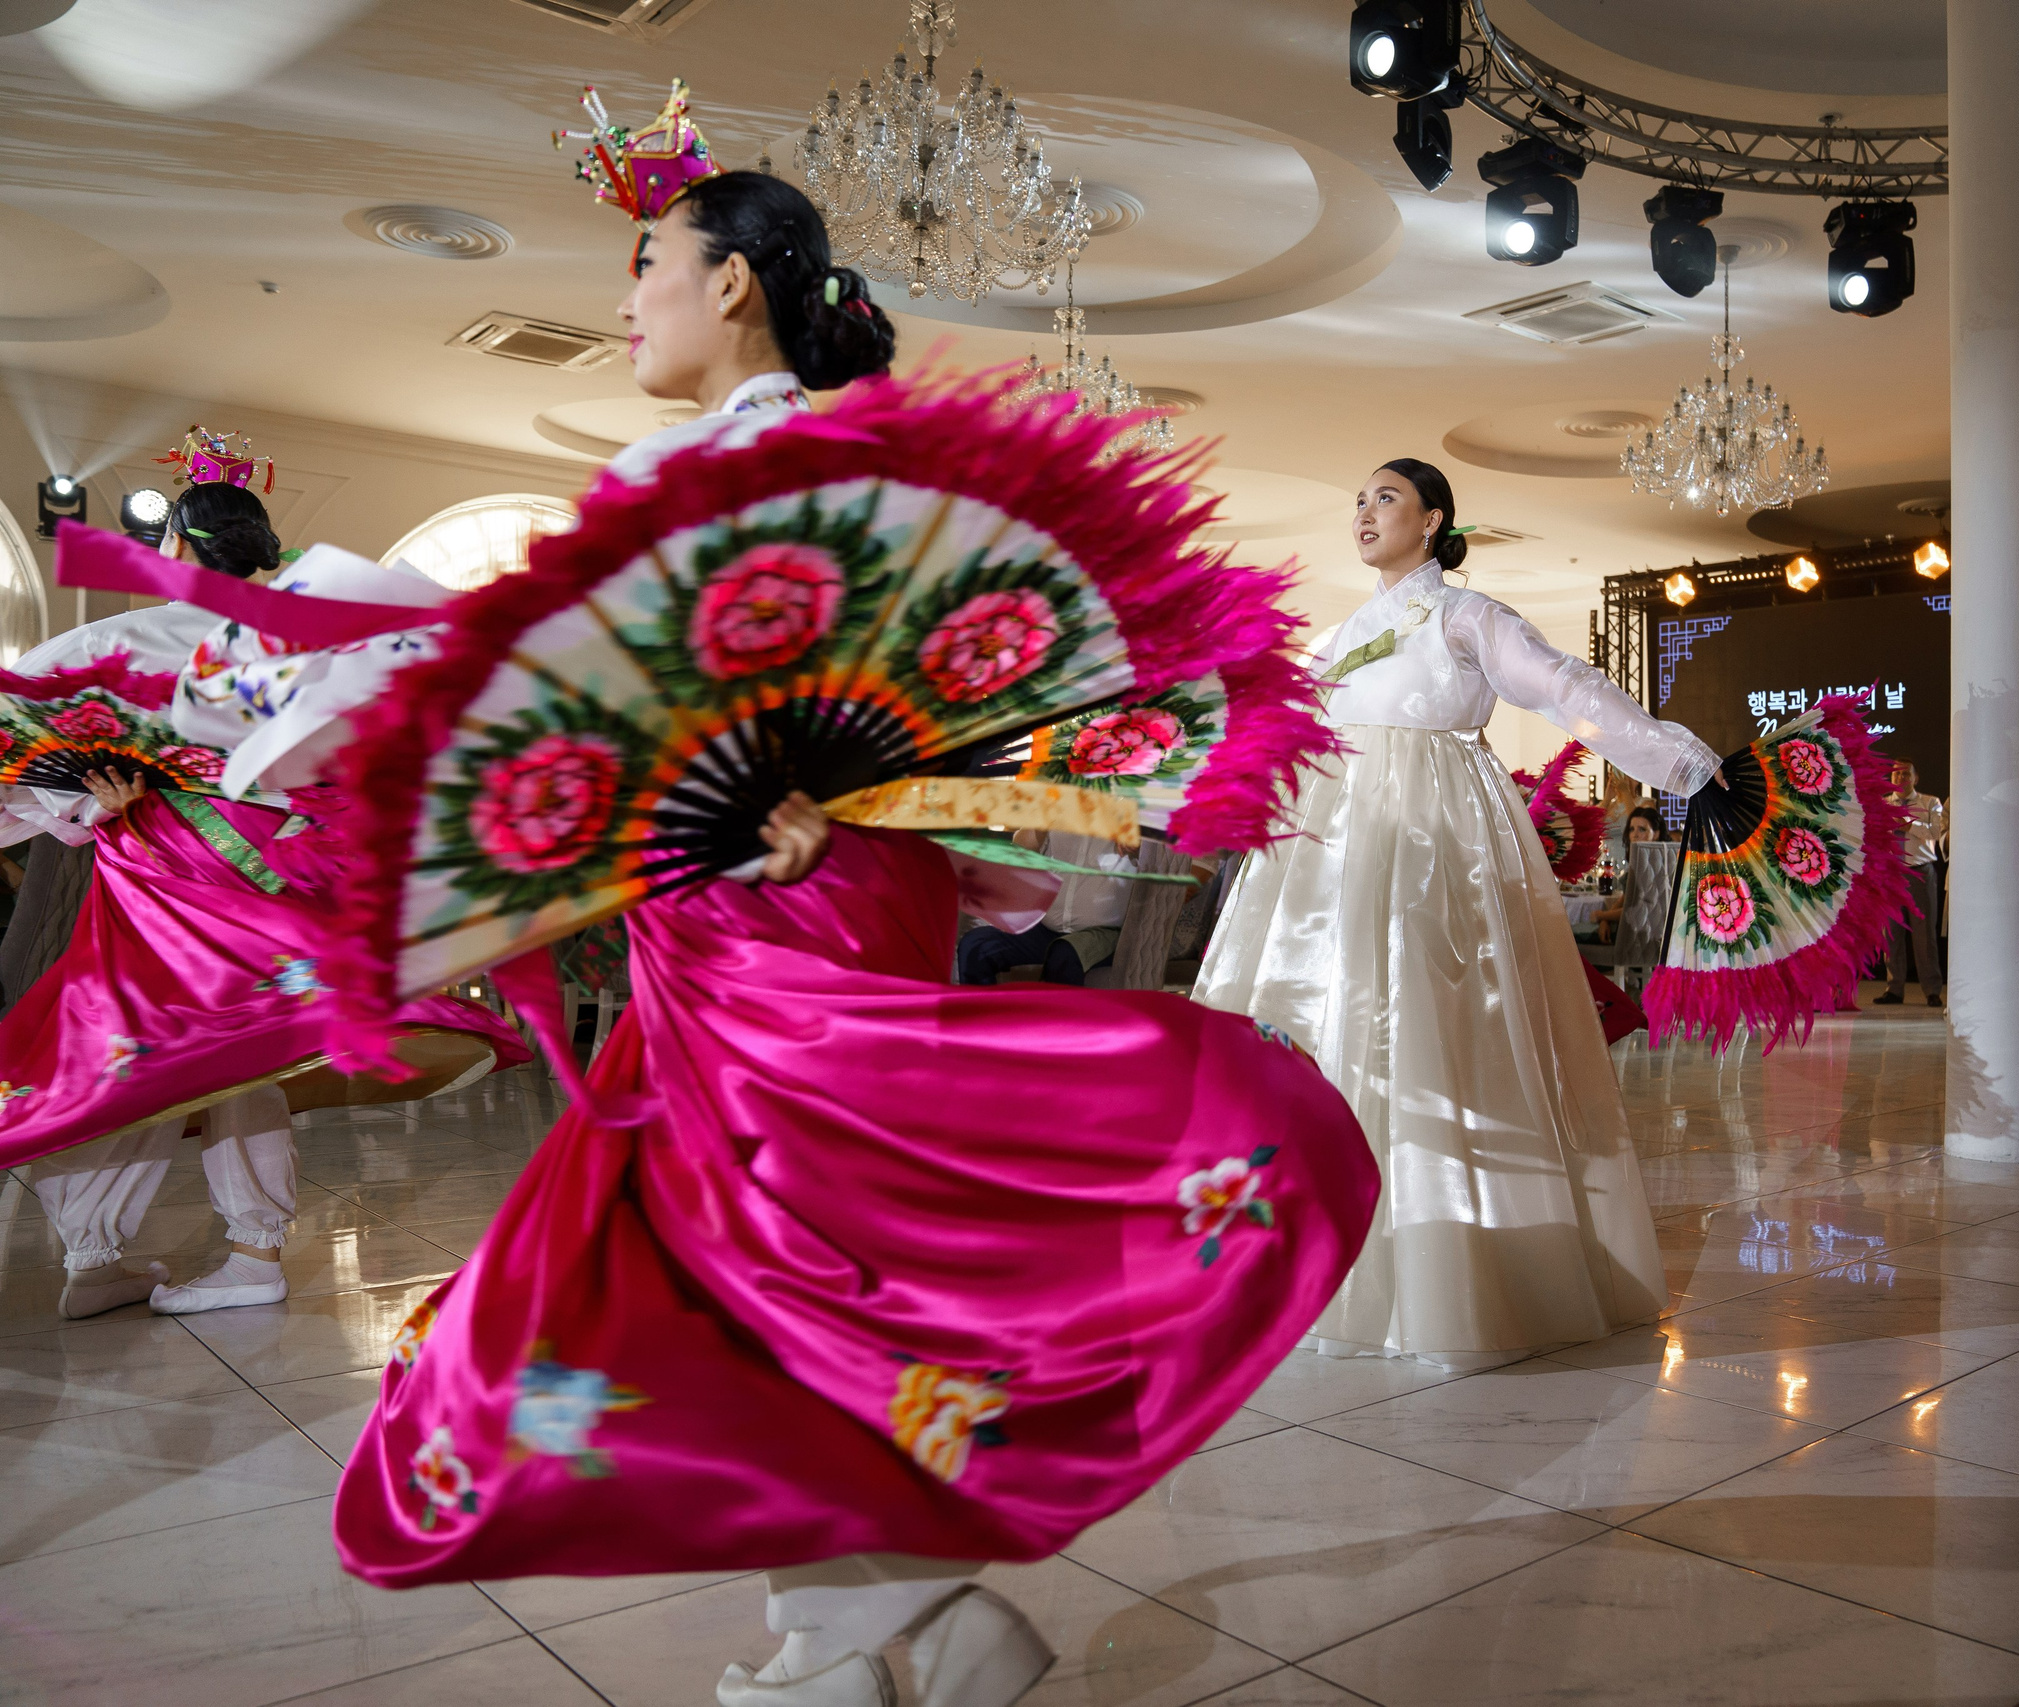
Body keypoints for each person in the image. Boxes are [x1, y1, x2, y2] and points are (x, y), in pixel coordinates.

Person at [326, 155, 1376, 1707]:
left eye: (647, 264)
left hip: (779, 894)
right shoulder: (835, 463)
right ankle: (882, 1623)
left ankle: (882, 1623)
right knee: (783, 1239)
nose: (625, 303)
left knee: (766, 1239)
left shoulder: (719, 478)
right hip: (788, 888)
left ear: (733, 279)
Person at [1195, 457, 1721, 1368]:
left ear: (1433, 519)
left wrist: (1677, 762)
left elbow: (1566, 688)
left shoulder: (1467, 616)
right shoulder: (1336, 636)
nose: (1364, 511)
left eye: (1385, 497)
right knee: (1327, 1028)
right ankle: (1315, 1258)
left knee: (1442, 1035)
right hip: (1332, 851)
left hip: (1435, 839)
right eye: (1357, 498)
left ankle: (1458, 1268)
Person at [0, 478, 524, 1319]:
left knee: (133, 1056)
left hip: (168, 891)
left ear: (174, 545)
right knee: (231, 1057)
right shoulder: (305, 645)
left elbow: (30, 761)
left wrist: (96, 801)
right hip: (259, 884)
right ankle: (225, 1250)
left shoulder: (117, 640)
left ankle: (116, 1252)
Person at [954, 831, 1135, 986]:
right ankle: (983, 1023)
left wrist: (1136, 835)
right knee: (976, 945)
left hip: (1103, 933)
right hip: (1047, 928)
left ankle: (1054, 1026)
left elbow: (1148, 839)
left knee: (1064, 953)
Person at [1873, 758, 1944, 1007]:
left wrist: (1907, 823)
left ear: (1915, 778)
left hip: (1919, 872)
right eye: (1895, 775)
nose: (1900, 779)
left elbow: (1935, 833)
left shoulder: (1930, 802)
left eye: (1905, 775)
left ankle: (1932, 990)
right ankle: (1894, 989)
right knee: (1890, 934)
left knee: (1925, 936)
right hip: (1891, 874)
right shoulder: (1883, 803)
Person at [1586, 804, 1665, 944]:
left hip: (1638, 937)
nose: (1635, 834)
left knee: (1567, 937)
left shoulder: (1655, 866)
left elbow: (1639, 909)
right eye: (1631, 829)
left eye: (1642, 829)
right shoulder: (1640, 862)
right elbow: (1626, 898)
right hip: (1626, 930)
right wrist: (1605, 919)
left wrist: (1601, 915)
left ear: (1656, 834)